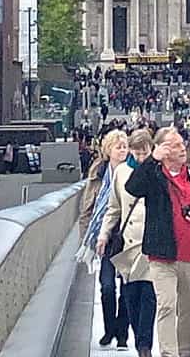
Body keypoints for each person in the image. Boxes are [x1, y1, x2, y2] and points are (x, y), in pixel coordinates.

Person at [126, 127, 190, 357]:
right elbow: (133, 188)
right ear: (161, 149)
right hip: (162, 256)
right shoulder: (154, 175)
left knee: (189, 309)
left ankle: (183, 351)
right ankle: (168, 354)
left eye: (181, 144)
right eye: (174, 145)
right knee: (167, 305)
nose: (181, 149)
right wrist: (151, 160)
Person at [97, 129, 156, 357]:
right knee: (130, 293)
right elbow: (114, 208)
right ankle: (134, 334)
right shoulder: (121, 172)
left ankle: (144, 345)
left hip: (151, 239)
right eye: (137, 153)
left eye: (145, 152)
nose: (141, 157)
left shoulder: (156, 171)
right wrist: (103, 234)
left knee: (149, 293)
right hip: (128, 240)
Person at [78, 129, 130, 348]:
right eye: (118, 147)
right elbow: (87, 209)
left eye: (125, 146)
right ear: (108, 150)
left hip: (128, 237)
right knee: (107, 286)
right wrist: (86, 238)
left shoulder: (132, 173)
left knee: (127, 287)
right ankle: (109, 329)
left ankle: (122, 333)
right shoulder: (98, 175)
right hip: (104, 238)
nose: (123, 150)